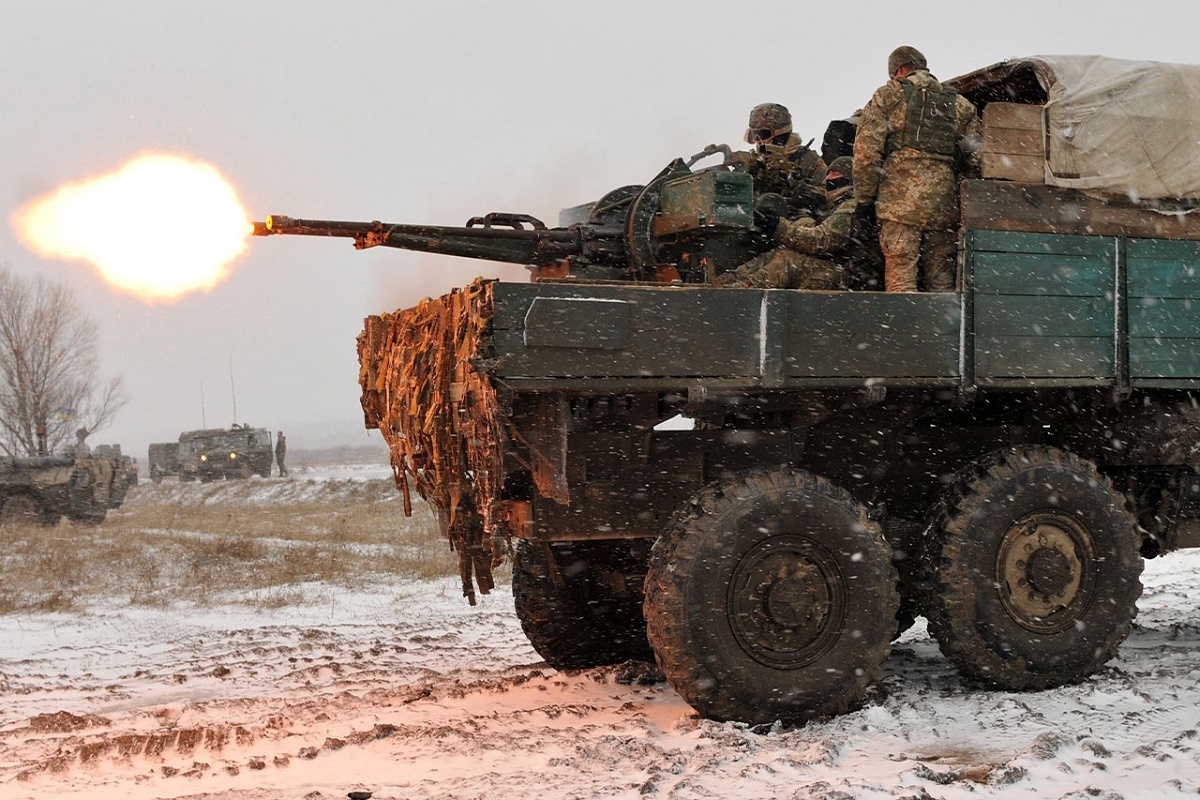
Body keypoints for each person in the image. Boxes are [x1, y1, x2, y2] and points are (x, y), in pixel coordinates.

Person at [853, 45, 981, 293]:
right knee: (942, 282)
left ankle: (906, 318)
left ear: (899, 70)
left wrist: (864, 200)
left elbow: (866, 154)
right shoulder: (960, 104)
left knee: (901, 280)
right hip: (944, 206)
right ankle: (944, 319)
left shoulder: (888, 95)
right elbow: (976, 158)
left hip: (898, 204)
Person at [721, 157, 873, 290]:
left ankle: (741, 292)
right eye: (828, 174)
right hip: (835, 266)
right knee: (777, 253)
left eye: (836, 175)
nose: (828, 179)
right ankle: (729, 280)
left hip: (849, 275)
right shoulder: (834, 206)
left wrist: (778, 226)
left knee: (788, 261)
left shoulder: (852, 206)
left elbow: (821, 240)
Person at [735, 102, 828, 217]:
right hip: (755, 217)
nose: (758, 140)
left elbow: (825, 193)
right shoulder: (753, 160)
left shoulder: (809, 160)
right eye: (754, 135)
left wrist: (796, 187)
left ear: (781, 134)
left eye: (763, 134)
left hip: (795, 220)